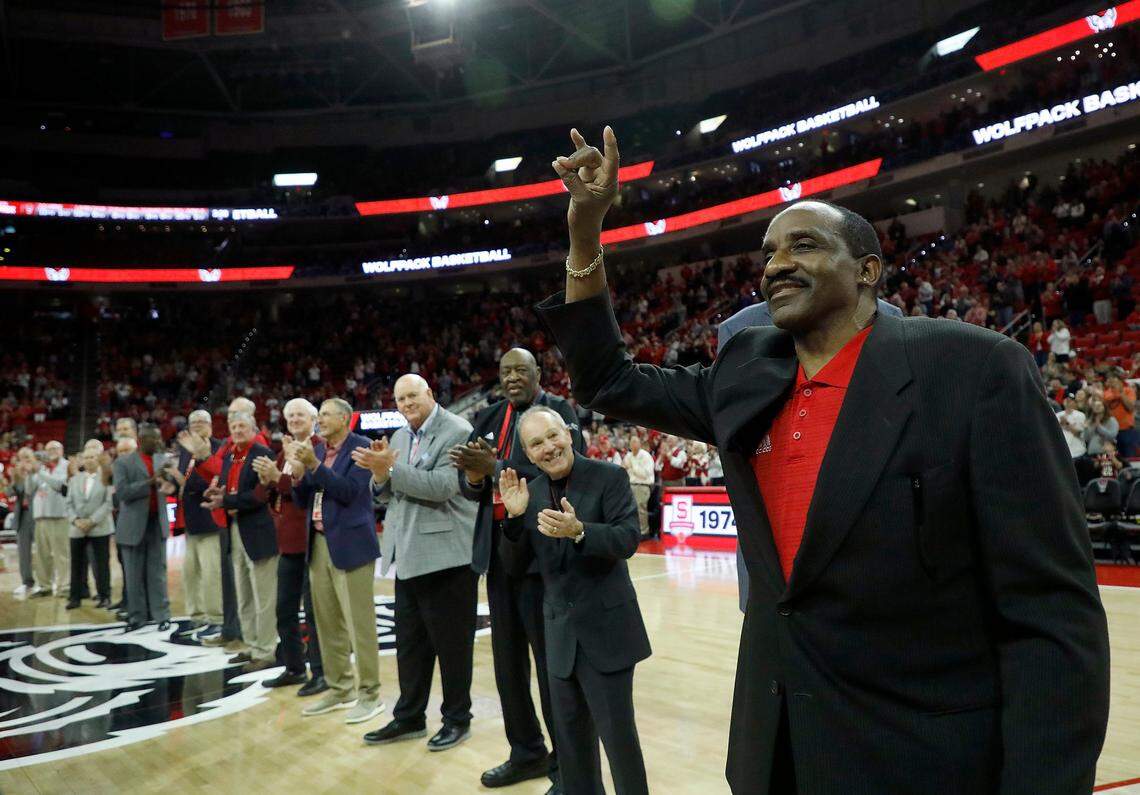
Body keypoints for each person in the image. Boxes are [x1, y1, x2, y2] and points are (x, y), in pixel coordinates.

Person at [537, 126, 1109, 793]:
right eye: (769, 251)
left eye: (804, 243)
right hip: (774, 751)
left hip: (920, 756)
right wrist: (585, 230)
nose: (777, 262)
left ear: (867, 269)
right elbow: (606, 377)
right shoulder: (744, 374)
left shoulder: (974, 369)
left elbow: (1052, 612)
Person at [497, 406, 650, 795]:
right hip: (559, 638)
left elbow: (628, 538)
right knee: (571, 747)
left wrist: (581, 532)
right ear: (527, 454)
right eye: (536, 444)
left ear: (568, 433)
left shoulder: (609, 477)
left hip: (607, 633)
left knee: (619, 743)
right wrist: (513, 520)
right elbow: (515, 568)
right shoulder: (527, 494)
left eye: (553, 436)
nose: (548, 448)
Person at [451, 347, 582, 791]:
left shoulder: (559, 412)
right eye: (505, 370)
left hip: (543, 560)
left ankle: (568, 766)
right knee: (508, 668)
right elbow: (474, 490)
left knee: (551, 668)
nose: (511, 377)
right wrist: (473, 478)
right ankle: (525, 752)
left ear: (538, 374)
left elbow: (563, 471)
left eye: (520, 370)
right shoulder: (487, 418)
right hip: (499, 556)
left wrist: (499, 467)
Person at [355, 375, 478, 751]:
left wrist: (389, 470)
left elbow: (442, 486)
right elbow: (386, 490)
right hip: (407, 554)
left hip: (447, 557)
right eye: (399, 398)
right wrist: (380, 475)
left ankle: (457, 719)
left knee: (452, 647)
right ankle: (409, 717)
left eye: (412, 395)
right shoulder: (401, 436)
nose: (406, 403)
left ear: (430, 394)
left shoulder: (458, 430)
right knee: (410, 646)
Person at [292, 398, 383, 723]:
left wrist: (315, 468)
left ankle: (370, 693)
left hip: (352, 543)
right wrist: (298, 473)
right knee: (326, 622)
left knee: (359, 624)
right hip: (318, 543)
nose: (320, 421)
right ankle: (340, 687)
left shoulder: (362, 447)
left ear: (345, 418)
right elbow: (303, 500)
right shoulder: (316, 450)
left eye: (326, 415)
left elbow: (350, 492)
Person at [251, 397, 327, 695]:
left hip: (310, 541)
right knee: (284, 609)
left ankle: (320, 672)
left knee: (314, 612)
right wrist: (267, 479)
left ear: (313, 419)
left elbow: (303, 492)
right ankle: (294, 667)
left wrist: (277, 479)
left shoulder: (318, 446)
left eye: (300, 415)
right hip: (286, 542)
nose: (295, 419)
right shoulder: (284, 450)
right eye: (290, 415)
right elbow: (264, 493)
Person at [202, 410, 279, 673]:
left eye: (242, 426)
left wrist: (228, 501)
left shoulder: (262, 454)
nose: (237, 430)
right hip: (236, 529)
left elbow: (260, 496)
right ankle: (251, 645)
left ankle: (266, 651)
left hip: (258, 532)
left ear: (254, 428)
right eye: (233, 426)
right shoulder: (232, 455)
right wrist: (219, 494)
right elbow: (230, 489)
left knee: (263, 598)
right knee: (244, 595)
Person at [112, 425, 175, 631]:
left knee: (158, 573)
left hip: (156, 523)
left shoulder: (163, 460)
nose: (158, 442)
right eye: (153, 439)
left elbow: (171, 485)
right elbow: (122, 493)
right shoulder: (122, 462)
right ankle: (136, 617)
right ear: (141, 440)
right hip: (132, 526)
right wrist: (149, 482)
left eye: (159, 439)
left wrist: (169, 481)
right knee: (133, 574)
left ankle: (162, 616)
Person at [175, 409, 226, 643]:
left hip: (210, 519)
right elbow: (186, 479)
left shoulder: (218, 447)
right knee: (191, 572)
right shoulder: (185, 450)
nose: (196, 426)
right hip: (191, 521)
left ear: (210, 425)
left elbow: (209, 478)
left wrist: (186, 483)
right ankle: (196, 615)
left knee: (211, 572)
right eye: (192, 422)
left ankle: (216, 618)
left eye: (201, 422)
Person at [65, 448, 114, 609]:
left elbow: (108, 503)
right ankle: (75, 597)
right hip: (77, 528)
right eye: (85, 457)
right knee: (76, 564)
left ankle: (105, 596)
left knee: (102, 565)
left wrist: (91, 521)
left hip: (99, 527)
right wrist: (76, 520)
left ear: (98, 459)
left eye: (92, 457)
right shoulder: (74, 479)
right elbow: (68, 504)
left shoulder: (106, 477)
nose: (89, 460)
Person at [30, 440, 70, 597]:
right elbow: (29, 489)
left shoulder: (66, 466)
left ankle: (65, 585)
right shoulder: (42, 468)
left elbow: (59, 484)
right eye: (48, 449)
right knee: (42, 554)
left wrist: (39, 472)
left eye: (54, 448)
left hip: (58, 515)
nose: (51, 452)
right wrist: (29, 473)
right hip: (40, 516)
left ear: (61, 450)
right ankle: (44, 586)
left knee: (61, 553)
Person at [9, 447, 39, 597]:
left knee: (43, 551)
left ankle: (44, 581)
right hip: (23, 516)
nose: (24, 461)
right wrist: (16, 478)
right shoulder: (18, 474)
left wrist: (31, 473)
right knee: (23, 553)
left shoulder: (40, 471)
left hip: (39, 516)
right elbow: (9, 493)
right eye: (21, 458)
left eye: (27, 457)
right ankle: (27, 582)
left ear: (33, 458)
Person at [621, 434, 654, 537]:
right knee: (629, 509)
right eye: (631, 442)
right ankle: (633, 531)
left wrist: (632, 467)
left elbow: (645, 474)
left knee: (640, 510)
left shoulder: (646, 456)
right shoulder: (628, 455)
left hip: (642, 486)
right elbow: (623, 469)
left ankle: (644, 532)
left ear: (640, 444)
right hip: (630, 485)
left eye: (635, 442)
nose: (633, 444)